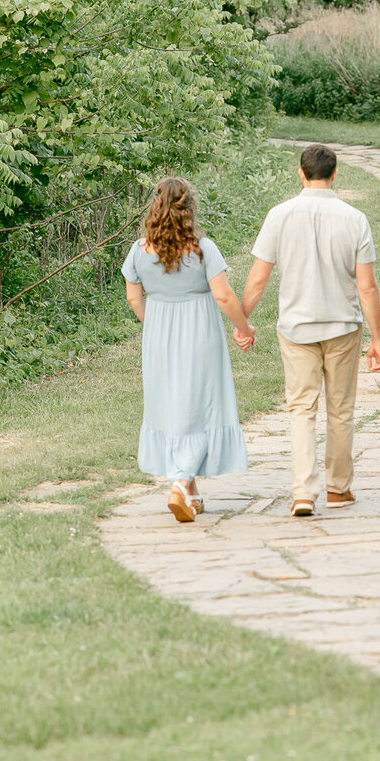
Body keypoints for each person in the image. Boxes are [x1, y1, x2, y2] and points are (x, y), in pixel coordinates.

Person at [242, 143, 380, 517]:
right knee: (341, 410)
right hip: (342, 326)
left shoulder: (280, 215)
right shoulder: (355, 218)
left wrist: (242, 322)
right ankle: (338, 489)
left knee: (301, 409)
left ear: (301, 174)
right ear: (335, 174)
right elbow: (367, 287)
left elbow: (258, 279)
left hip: (296, 327)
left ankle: (303, 493)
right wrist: (378, 339)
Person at [123, 177, 255, 523]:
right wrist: (244, 328)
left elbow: (133, 298)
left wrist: (154, 323)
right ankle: (180, 482)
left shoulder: (138, 251)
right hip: (199, 330)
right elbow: (224, 296)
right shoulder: (202, 249)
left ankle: (190, 491)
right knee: (201, 405)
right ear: (189, 208)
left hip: (159, 332)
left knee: (173, 405)